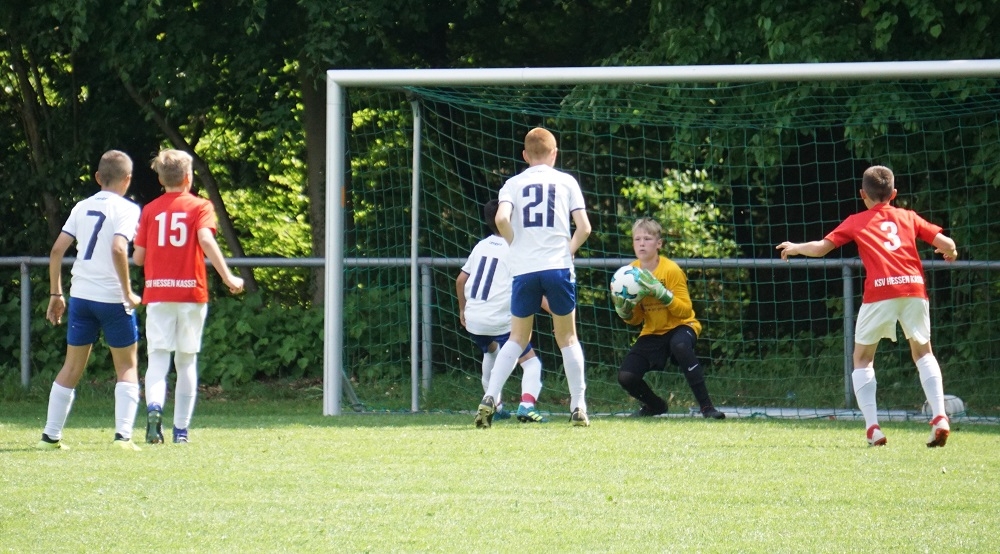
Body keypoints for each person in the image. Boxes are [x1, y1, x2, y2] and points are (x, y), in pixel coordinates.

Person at [777, 165, 957, 448]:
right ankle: (940, 417)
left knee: (862, 359)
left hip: (880, 292)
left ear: (863, 194)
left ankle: (873, 428)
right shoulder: (908, 216)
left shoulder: (857, 221)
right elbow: (946, 242)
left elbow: (822, 248)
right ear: (894, 193)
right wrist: (951, 251)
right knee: (923, 352)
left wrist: (796, 247)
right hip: (913, 288)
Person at [474, 127, 592, 427]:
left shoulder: (513, 184)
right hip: (557, 267)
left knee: (516, 338)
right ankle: (578, 406)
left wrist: (516, 245)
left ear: (525, 155)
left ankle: (490, 396)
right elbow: (584, 227)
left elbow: (501, 218)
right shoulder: (566, 181)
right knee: (567, 337)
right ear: (554, 153)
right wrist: (569, 250)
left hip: (524, 270)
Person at [133, 149, 244, 444]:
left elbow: (139, 258)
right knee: (185, 362)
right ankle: (180, 431)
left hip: (158, 292)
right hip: (191, 292)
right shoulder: (200, 206)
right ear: (188, 178)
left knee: (158, 360)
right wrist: (228, 276)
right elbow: (205, 239)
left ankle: (154, 409)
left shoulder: (150, 210)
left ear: (160, 179)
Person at [37, 150, 144, 451]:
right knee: (126, 366)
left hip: (81, 296)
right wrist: (127, 292)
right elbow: (119, 248)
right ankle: (123, 437)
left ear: (98, 177)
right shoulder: (127, 209)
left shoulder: (82, 206)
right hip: (112, 298)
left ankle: (50, 436)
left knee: (71, 367)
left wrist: (56, 293)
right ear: (128, 179)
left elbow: (57, 250)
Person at [611, 218, 726, 420]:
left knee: (679, 345)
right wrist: (625, 312)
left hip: (682, 326)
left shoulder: (671, 270)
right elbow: (636, 320)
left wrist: (662, 293)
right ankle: (655, 406)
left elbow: (685, 311)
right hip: (653, 331)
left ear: (659, 244)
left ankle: (707, 407)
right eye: (637, 239)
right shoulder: (629, 274)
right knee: (626, 377)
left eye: (647, 239)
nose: (642, 243)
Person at [457, 199, 547, 423]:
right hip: (499, 319)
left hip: (474, 318)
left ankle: (496, 406)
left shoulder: (481, 245)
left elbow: (460, 280)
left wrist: (462, 309)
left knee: (491, 352)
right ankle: (527, 405)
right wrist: (558, 314)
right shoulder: (515, 249)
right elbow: (530, 289)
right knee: (531, 362)